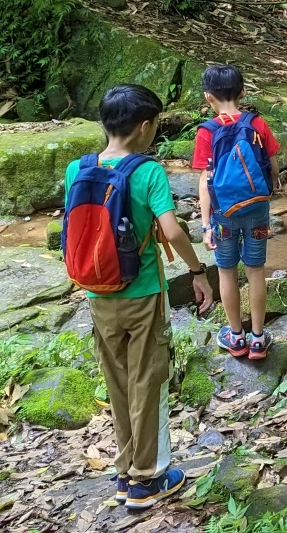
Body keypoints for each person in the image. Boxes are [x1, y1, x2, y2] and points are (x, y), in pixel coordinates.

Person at [63, 84, 214, 510]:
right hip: (143, 290)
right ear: (145, 127)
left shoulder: (78, 169)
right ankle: (148, 479)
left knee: (118, 379)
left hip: (97, 292)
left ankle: (125, 469)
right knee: (149, 379)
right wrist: (197, 270)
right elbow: (170, 229)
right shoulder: (147, 172)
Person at [193, 65, 280, 359]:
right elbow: (272, 166)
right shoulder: (257, 123)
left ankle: (235, 337)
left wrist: (206, 225)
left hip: (222, 214)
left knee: (227, 271)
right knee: (255, 271)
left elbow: (206, 180)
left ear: (208, 97)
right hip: (256, 208)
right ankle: (258, 338)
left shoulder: (207, 132)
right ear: (242, 92)